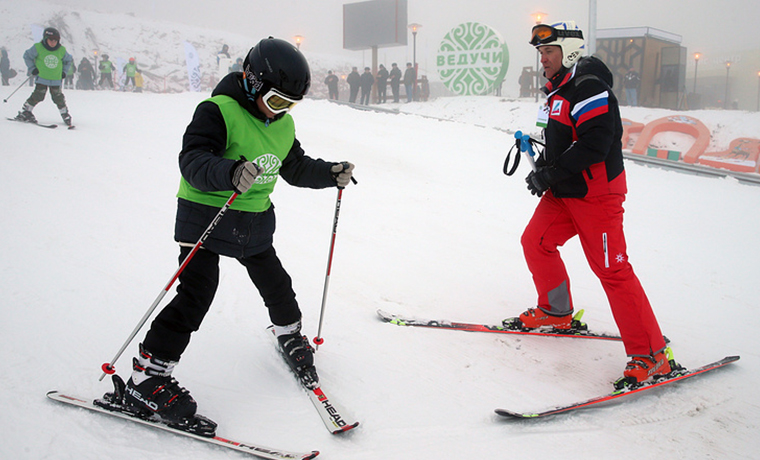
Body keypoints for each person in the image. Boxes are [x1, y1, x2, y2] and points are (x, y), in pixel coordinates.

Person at [119, 37, 355, 430]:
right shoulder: (218, 111)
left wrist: (329, 173)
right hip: (206, 217)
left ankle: (290, 335)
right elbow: (192, 160)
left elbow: (293, 166)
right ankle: (147, 377)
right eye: (277, 101)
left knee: (277, 284)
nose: (281, 112)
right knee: (196, 294)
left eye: (290, 105)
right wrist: (227, 173)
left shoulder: (283, 124)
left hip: (253, 221)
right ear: (251, 81)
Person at [506, 21, 676, 389]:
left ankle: (652, 355)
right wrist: (542, 162)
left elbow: (595, 143)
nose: (543, 60)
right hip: (566, 193)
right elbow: (566, 137)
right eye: (540, 53)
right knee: (535, 242)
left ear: (568, 52)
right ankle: (556, 311)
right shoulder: (559, 91)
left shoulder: (588, 88)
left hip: (596, 195)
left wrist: (551, 174)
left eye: (549, 52)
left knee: (613, 271)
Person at [14, 27, 73, 126]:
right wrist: (32, 68)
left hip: (56, 79)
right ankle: (26, 111)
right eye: (51, 40)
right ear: (46, 39)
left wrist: (64, 71)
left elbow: (68, 60)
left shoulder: (61, 50)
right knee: (38, 95)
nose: (53, 42)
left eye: (56, 40)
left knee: (58, 97)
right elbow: (27, 56)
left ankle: (65, 114)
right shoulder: (38, 47)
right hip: (42, 78)